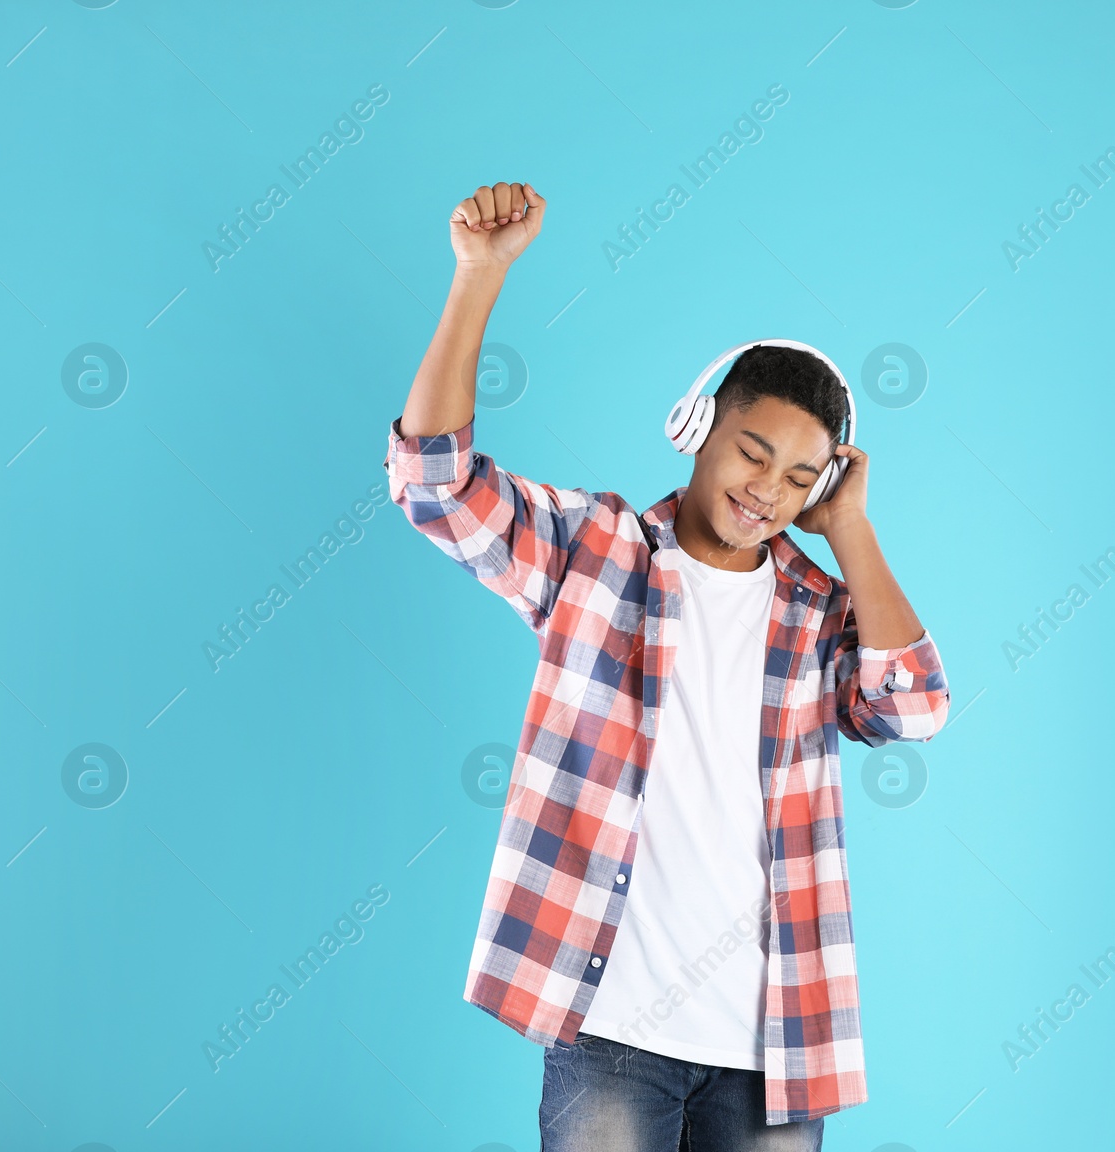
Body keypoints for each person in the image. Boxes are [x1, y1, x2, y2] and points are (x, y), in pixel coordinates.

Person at [384, 182, 951, 1151]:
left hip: (777, 1044)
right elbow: (435, 488)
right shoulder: (593, 551)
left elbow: (912, 708)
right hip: (611, 1029)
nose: (767, 490)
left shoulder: (819, 613)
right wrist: (480, 278)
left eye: (798, 477)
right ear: (697, 429)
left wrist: (848, 530)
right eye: (752, 453)